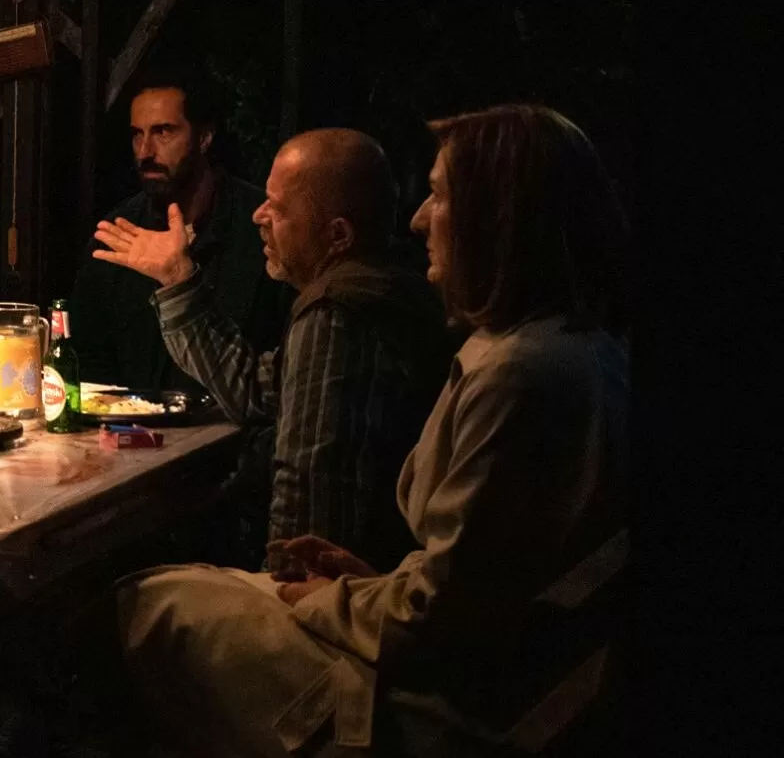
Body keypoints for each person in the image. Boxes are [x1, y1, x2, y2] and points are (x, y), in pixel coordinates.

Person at [113, 105, 629, 756]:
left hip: (431, 704)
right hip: (445, 647)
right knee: (176, 591)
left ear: (500, 218)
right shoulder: (577, 349)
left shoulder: (509, 369)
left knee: (137, 607)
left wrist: (315, 595)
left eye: (440, 195)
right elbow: (474, 572)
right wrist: (370, 584)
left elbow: (407, 595)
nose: (417, 219)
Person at [95, 129, 450, 571]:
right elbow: (256, 388)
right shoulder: (392, 282)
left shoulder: (336, 313)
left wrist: (278, 588)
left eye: (277, 208)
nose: (257, 215)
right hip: (372, 578)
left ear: (338, 235)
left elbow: (308, 500)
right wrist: (177, 278)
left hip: (332, 588)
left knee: (128, 590)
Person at [72, 68, 292, 392]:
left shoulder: (261, 228)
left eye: (163, 132)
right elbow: (88, 359)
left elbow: (286, 368)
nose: (145, 152)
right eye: (137, 134)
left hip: (235, 420)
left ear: (204, 138)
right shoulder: (118, 233)